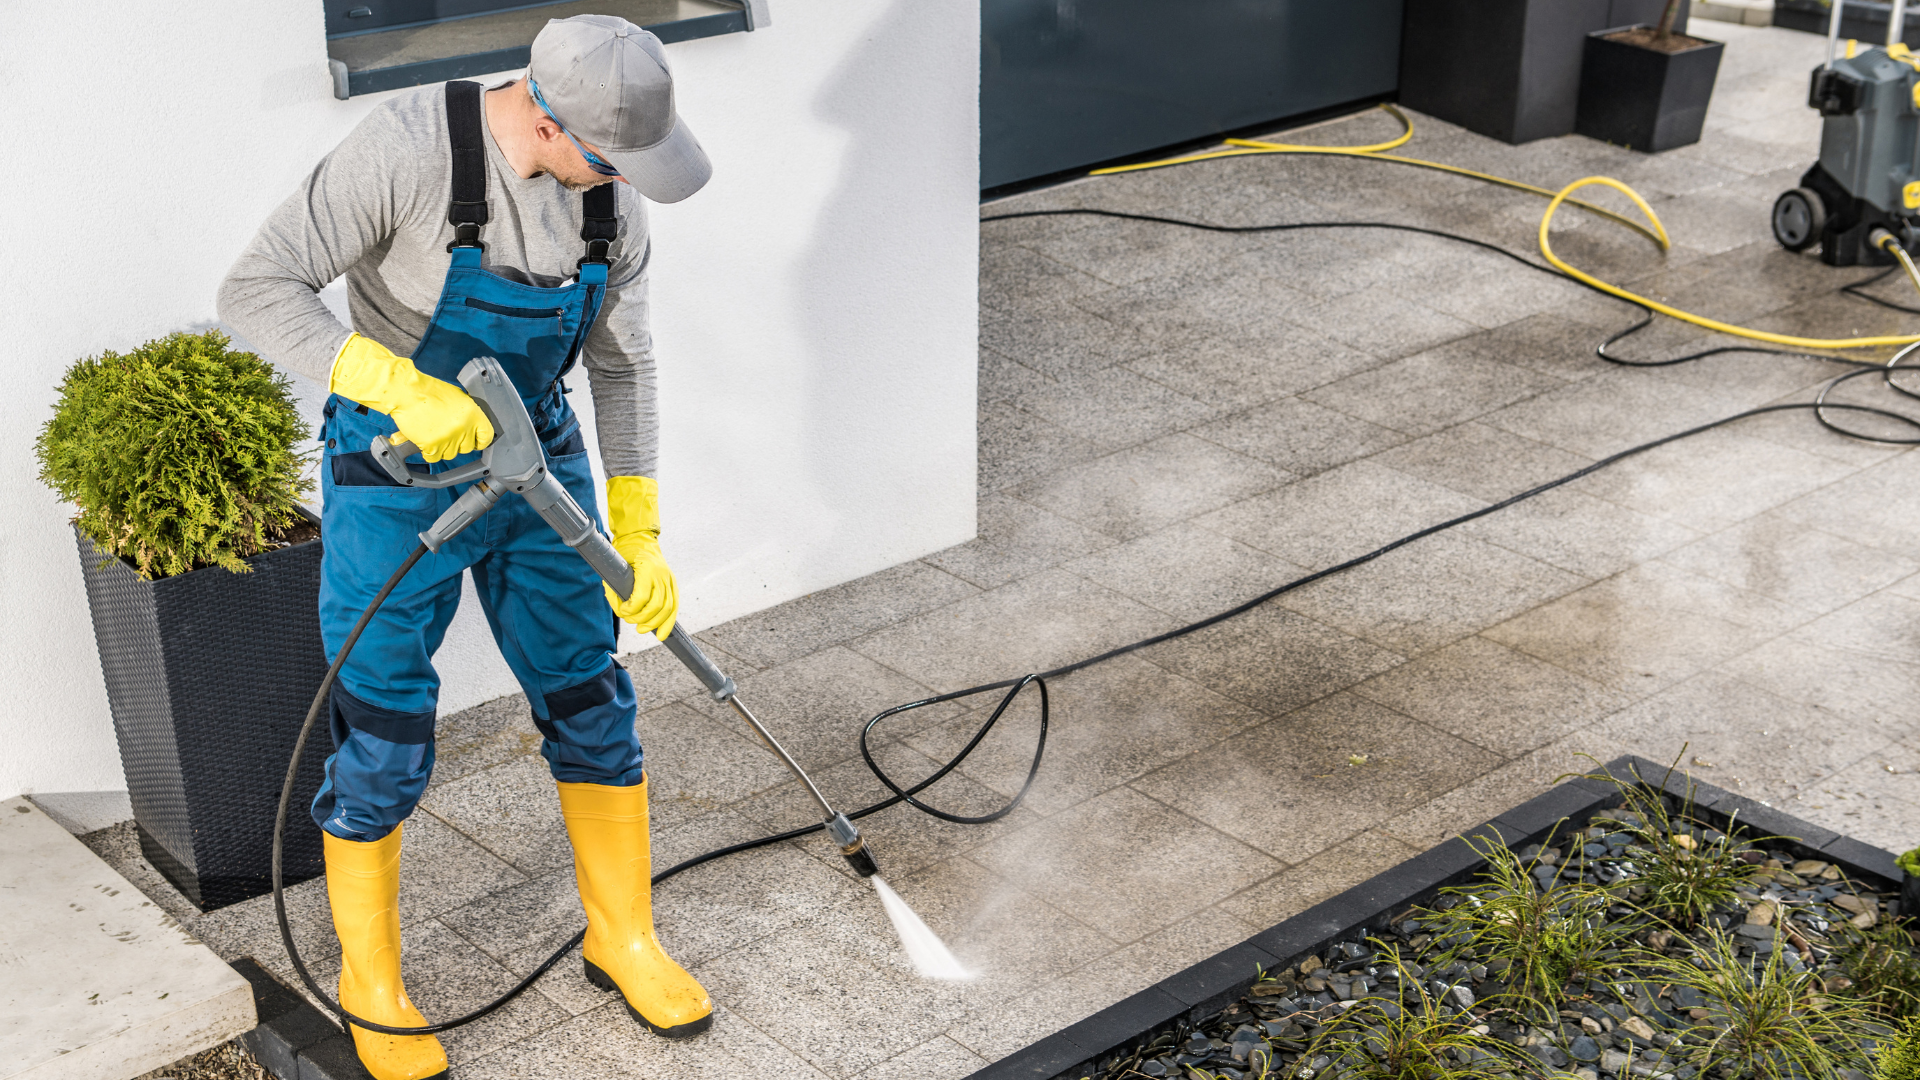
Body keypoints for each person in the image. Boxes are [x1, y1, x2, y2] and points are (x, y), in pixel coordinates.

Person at [218, 15, 713, 1078]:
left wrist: (638, 520)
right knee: (386, 734)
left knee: (590, 695)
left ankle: (621, 936)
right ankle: (373, 985)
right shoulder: (403, 152)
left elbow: (624, 366)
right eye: (608, 159)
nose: (619, 185)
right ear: (544, 117)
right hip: (394, 477)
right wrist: (390, 381)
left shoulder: (613, 209)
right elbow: (253, 290)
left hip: (541, 463)